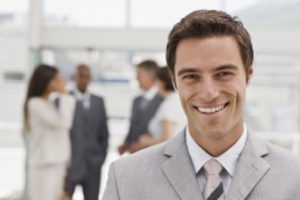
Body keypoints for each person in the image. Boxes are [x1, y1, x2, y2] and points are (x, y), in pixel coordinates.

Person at [102, 9, 300, 200]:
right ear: (174, 82)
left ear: (248, 75)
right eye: (191, 76)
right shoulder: (126, 179)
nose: (209, 93)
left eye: (223, 73)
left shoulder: (294, 178)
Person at [23, 64, 75, 200]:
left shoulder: (49, 103)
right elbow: (64, 123)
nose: (61, 82)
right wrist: (64, 93)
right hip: (44, 166)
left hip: (57, 164)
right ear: (46, 81)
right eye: (56, 79)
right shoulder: (35, 104)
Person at [64, 64, 109, 200]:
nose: (83, 80)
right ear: (74, 77)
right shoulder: (64, 99)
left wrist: (100, 159)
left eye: (87, 77)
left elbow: (104, 133)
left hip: (93, 167)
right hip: (70, 167)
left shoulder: (99, 101)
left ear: (91, 79)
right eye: (81, 76)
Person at [118, 60, 163, 154]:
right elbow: (132, 127)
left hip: (152, 154)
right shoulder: (136, 100)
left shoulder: (163, 100)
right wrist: (126, 143)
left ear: (150, 75)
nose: (136, 78)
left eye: (139, 74)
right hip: (134, 155)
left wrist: (142, 146)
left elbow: (164, 134)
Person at [137, 66, 186, 149]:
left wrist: (146, 141)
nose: (155, 85)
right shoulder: (178, 100)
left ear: (162, 82)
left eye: (156, 81)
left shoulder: (169, 105)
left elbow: (168, 140)